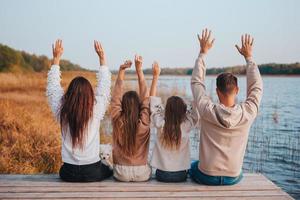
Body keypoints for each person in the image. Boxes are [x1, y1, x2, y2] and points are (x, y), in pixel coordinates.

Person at [190, 29, 263, 185]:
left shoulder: (206, 109)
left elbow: (196, 83)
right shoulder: (247, 112)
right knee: (239, 171)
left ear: (217, 91)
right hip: (233, 177)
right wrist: (249, 58)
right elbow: (257, 87)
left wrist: (203, 53)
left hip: (206, 176)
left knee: (193, 166)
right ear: (237, 90)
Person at [46, 39, 113, 182]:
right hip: (92, 172)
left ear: (69, 94)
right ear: (90, 95)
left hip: (68, 173)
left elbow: (53, 89)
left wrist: (56, 60)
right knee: (109, 169)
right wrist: (102, 60)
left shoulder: (62, 111)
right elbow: (104, 89)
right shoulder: (95, 110)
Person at [149, 61, 198, 182]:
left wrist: (155, 76)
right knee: (196, 165)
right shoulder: (187, 125)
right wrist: (196, 79)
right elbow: (196, 105)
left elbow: (153, 102)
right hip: (181, 175)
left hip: (162, 175)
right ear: (183, 111)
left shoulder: (160, 124)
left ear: (167, 110)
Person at [111, 55, 151, 182]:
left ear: (123, 106)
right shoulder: (144, 122)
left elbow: (116, 98)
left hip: (120, 173)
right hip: (142, 173)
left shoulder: (117, 120)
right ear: (138, 106)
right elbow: (146, 98)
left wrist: (121, 71)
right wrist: (139, 71)